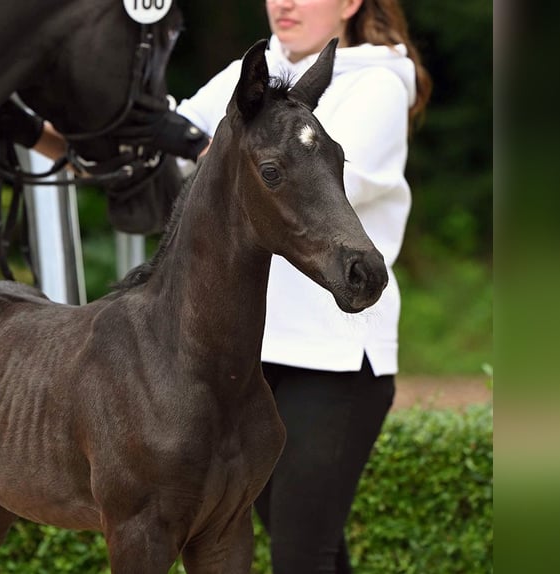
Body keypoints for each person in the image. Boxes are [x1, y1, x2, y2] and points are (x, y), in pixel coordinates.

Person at [174, 0, 431, 572]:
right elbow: (170, 140)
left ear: (348, 4)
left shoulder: (379, 83)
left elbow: (327, 185)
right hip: (256, 354)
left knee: (300, 553)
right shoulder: (256, 73)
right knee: (313, 551)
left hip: (333, 359)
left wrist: (203, 152)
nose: (283, 3)